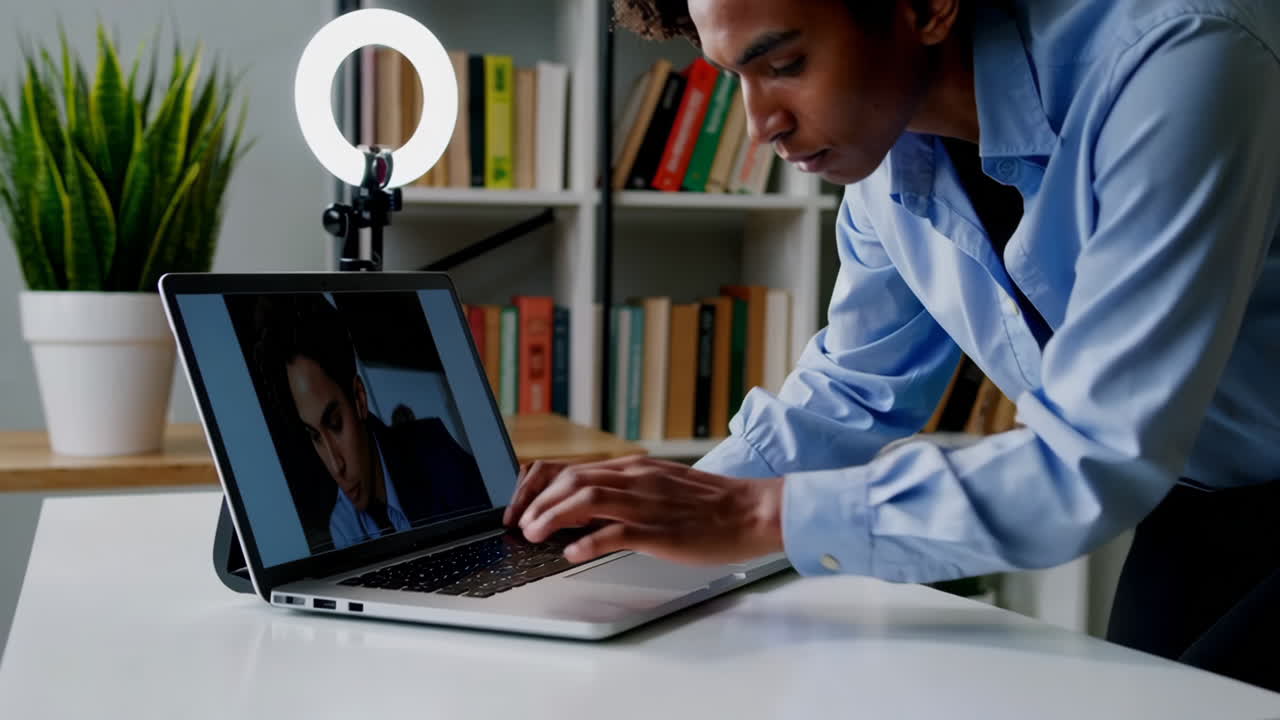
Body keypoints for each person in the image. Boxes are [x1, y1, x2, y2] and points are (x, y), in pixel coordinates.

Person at [506, 0, 1280, 689]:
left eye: (784, 65)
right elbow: (852, 392)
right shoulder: (889, 160)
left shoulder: (1179, 55)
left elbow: (1091, 460)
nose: (759, 123)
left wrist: (753, 516)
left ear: (929, 8)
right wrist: (634, 527)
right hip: (1195, 500)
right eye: (735, 77)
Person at [255, 295, 492, 550]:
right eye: (315, 435)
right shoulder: (343, 525)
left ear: (359, 399)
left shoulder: (436, 452)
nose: (336, 466)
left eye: (335, 424)